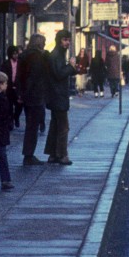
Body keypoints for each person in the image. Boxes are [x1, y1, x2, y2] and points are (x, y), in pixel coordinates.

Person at [44, 30, 77, 165]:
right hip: (58, 96)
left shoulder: (58, 54)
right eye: (65, 40)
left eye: (68, 40)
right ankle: (62, 155)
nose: (67, 42)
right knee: (63, 126)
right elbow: (59, 74)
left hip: (56, 95)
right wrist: (71, 66)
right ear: (59, 40)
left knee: (55, 125)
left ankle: (53, 154)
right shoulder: (57, 55)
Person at [17, 33, 49, 165]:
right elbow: (34, 77)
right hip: (34, 95)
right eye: (44, 42)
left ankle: (28, 154)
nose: (45, 44)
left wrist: (21, 94)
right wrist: (29, 93)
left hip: (27, 95)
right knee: (32, 126)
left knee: (31, 125)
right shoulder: (36, 57)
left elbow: (20, 77)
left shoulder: (24, 55)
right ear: (39, 43)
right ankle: (28, 155)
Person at [0, 45, 22, 128]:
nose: (16, 55)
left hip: (18, 87)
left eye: (17, 54)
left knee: (19, 105)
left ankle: (16, 117)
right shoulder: (6, 64)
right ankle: (11, 121)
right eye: (14, 54)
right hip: (8, 87)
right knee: (9, 105)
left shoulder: (20, 63)